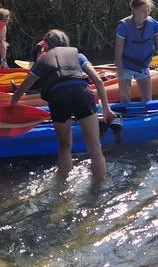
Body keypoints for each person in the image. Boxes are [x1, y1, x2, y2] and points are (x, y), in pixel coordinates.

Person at [10, 30, 117, 182]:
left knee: (65, 146)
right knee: (94, 146)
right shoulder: (78, 56)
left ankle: (63, 189)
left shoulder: (42, 60)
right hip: (81, 93)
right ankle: (99, 187)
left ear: (45, 45)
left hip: (58, 97)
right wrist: (106, 109)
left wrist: (11, 107)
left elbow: (22, 89)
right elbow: (98, 81)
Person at [114, 0, 158, 103]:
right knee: (125, 99)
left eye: (148, 10)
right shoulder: (123, 26)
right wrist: (120, 72)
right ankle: (126, 117)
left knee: (148, 100)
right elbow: (118, 53)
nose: (147, 13)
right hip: (126, 65)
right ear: (133, 10)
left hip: (143, 65)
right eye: (143, 11)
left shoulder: (154, 25)